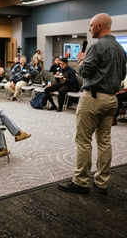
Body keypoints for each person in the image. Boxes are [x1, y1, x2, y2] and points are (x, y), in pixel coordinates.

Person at [58, 13, 126, 195]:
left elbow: (85, 72)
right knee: (104, 141)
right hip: (112, 99)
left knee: (83, 140)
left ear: (100, 26)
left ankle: (80, 181)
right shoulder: (120, 49)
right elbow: (122, 76)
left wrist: (81, 59)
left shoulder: (96, 47)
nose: (89, 29)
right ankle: (102, 181)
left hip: (93, 99)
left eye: (91, 25)